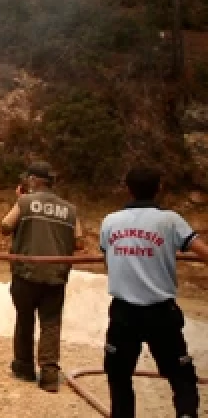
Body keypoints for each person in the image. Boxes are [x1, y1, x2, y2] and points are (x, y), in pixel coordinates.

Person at [99, 167, 208, 418]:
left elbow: (108, 262)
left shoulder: (110, 221)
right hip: (161, 314)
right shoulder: (170, 221)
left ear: (127, 189)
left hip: (124, 314)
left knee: (119, 378)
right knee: (182, 378)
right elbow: (202, 251)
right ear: (159, 189)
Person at [0, 161, 83, 393]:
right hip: (56, 275)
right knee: (51, 322)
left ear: (33, 181)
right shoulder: (70, 209)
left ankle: (24, 367)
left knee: (25, 318)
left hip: (25, 273)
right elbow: (79, 242)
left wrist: (19, 200)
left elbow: (5, 226)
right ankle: (49, 374)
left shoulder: (24, 202)